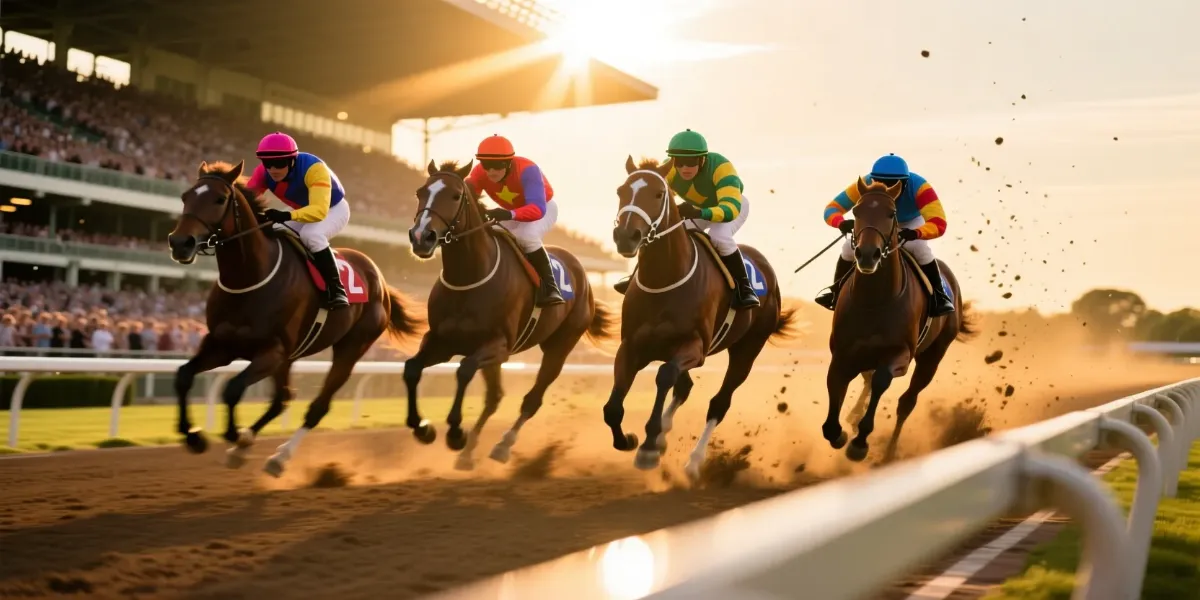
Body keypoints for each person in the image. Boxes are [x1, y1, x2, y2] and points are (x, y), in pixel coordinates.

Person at [613, 129, 760, 309]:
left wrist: (699, 213)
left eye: (690, 162)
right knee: (666, 231)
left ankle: (744, 288)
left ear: (702, 159)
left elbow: (730, 210)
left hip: (731, 206)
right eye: (679, 162)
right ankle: (635, 275)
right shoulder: (670, 170)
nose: (684, 168)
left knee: (719, 236)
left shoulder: (722, 168)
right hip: (700, 208)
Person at [815, 153, 955, 316]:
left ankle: (939, 296)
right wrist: (841, 222)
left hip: (908, 223)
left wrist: (917, 232)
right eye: (881, 181)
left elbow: (939, 223)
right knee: (848, 248)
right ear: (873, 179)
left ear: (905, 182)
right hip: (877, 223)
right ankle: (835, 292)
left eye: (893, 183)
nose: (887, 188)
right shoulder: (865, 184)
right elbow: (832, 208)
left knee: (919, 248)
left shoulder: (919, 187)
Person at [247, 131, 350, 310]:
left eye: (279, 163)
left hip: (333, 209)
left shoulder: (314, 168)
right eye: (267, 163)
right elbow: (245, 199)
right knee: (272, 229)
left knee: (311, 234)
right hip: (302, 210)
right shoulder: (263, 173)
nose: (273, 169)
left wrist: (286, 215)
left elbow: (318, 211)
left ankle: (337, 289)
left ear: (292, 160)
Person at [464, 134, 564, 307]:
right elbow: (466, 198)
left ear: (509, 162)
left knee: (526, 236)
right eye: (486, 165)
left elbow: (537, 209)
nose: (491, 171)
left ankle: (550, 287)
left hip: (544, 208)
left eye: (497, 165)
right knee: (488, 232)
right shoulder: (479, 172)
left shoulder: (528, 170)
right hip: (513, 212)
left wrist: (508, 215)